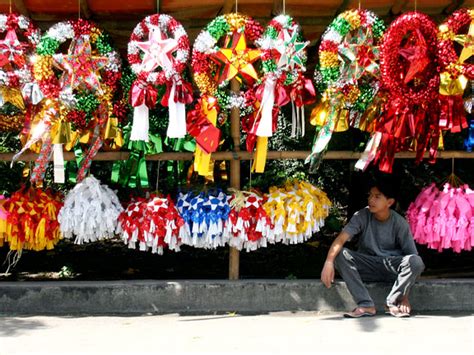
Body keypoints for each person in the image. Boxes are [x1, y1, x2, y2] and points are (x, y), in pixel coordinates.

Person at [320, 179, 425, 318]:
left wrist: (404, 296)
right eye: (370, 195)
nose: (371, 200)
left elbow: (413, 262)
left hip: (392, 268)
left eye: (377, 196)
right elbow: (340, 239)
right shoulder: (362, 215)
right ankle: (365, 305)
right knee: (340, 254)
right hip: (367, 266)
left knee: (416, 261)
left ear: (389, 202)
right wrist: (328, 262)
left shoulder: (400, 223)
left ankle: (393, 301)